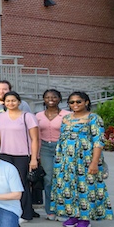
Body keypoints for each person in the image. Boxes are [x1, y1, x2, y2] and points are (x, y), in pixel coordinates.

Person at [52, 92, 113, 227]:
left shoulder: (94, 118)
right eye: (72, 102)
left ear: (86, 102)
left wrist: (94, 162)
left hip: (85, 159)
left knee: (85, 187)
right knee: (68, 186)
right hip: (66, 159)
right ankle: (73, 215)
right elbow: (63, 139)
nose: (75, 104)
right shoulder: (66, 118)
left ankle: (85, 217)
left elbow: (99, 141)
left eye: (78, 101)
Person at [0, 91, 40, 221]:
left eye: (13, 100)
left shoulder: (28, 117)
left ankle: (26, 214)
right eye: (8, 101)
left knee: (21, 184)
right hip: (4, 154)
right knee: (6, 185)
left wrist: (33, 158)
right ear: (4, 103)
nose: (11, 103)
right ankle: (9, 211)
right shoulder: (0, 117)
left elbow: (35, 139)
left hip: (22, 155)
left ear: (19, 102)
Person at [35, 89, 69, 220]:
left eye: (54, 97)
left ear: (59, 99)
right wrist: (36, 154)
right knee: (48, 179)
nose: (51, 99)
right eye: (48, 97)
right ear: (43, 99)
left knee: (62, 179)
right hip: (44, 148)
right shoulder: (38, 115)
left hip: (62, 147)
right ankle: (50, 210)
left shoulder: (67, 115)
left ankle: (63, 210)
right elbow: (35, 135)